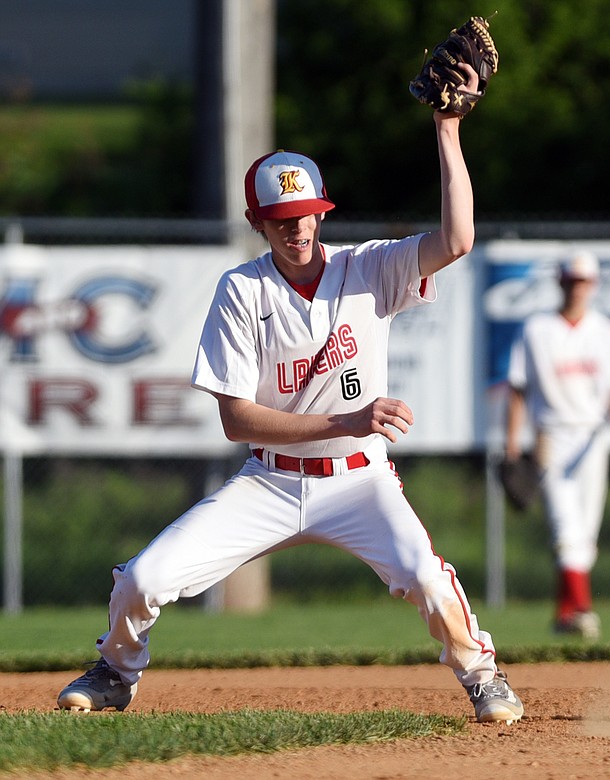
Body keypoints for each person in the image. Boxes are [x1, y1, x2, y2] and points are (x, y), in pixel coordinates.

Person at [56, 72, 524, 725]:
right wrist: (349, 416)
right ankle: (116, 670)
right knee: (144, 578)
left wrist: (447, 132)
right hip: (270, 482)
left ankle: (481, 673)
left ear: (321, 211)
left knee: (424, 574)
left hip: (360, 481)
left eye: (304, 215)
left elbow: (458, 240)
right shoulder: (241, 292)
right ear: (258, 223)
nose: (296, 229)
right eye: (279, 220)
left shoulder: (368, 269)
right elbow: (235, 420)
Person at [503, 251, 610, 639]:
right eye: (570, 280)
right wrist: (512, 446)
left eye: (583, 281)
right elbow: (517, 390)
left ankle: (565, 615)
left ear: (593, 285)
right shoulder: (537, 330)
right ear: (559, 282)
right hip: (551, 435)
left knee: (585, 536)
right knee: (566, 529)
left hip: (593, 438)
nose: (577, 288)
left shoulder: (607, 333)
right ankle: (582, 609)